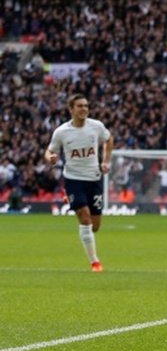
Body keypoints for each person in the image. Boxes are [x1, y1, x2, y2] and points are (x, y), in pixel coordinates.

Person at [44, 93, 114, 272]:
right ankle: (95, 262)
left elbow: (108, 139)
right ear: (71, 109)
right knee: (84, 216)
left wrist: (106, 161)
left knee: (95, 225)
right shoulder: (61, 132)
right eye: (80, 106)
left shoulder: (96, 126)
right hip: (73, 179)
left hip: (94, 178)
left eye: (86, 106)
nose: (84, 109)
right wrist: (50, 157)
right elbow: (50, 150)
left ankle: (89, 241)